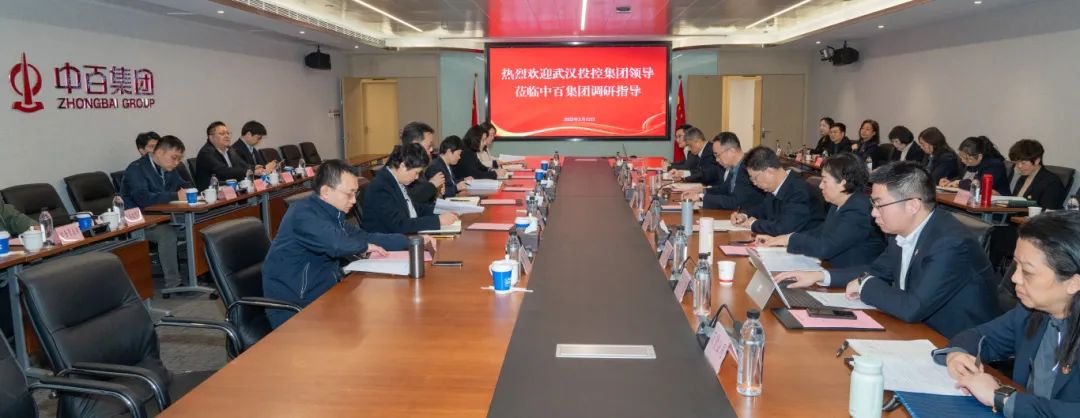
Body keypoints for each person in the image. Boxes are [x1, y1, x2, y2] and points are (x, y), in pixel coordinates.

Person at [776, 161, 999, 338]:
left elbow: (912, 307)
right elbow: (876, 270)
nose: (873, 213)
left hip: (953, 345)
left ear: (912, 205)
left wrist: (865, 285)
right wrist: (820, 276)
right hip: (913, 330)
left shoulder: (950, 243)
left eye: (879, 204)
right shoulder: (901, 231)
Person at [932, 211, 1080, 417]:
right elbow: (979, 336)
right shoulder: (1030, 312)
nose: (1015, 278)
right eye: (1015, 265)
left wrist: (1003, 398)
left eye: (1027, 271)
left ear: (1073, 283)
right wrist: (957, 355)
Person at [262, 160, 425, 328]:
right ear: (326, 191)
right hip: (295, 308)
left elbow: (364, 236)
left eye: (356, 193)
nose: (354, 200)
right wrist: (365, 246)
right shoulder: (302, 214)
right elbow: (336, 244)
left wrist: (412, 241)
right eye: (349, 194)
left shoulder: (332, 214)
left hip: (325, 295)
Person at [755, 154, 886, 268]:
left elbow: (826, 247)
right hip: (831, 267)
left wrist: (789, 240)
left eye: (824, 181)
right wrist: (781, 239)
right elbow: (821, 231)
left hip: (852, 278)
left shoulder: (859, 209)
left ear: (842, 183)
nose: (820, 185)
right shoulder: (838, 203)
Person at [121, 135, 192, 291]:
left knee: (196, 225)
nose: (177, 162)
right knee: (167, 235)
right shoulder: (136, 169)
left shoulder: (168, 168)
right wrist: (175, 196)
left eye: (179, 159)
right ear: (159, 152)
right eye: (174, 158)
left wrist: (190, 191)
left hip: (164, 217)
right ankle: (173, 284)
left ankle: (200, 272)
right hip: (140, 222)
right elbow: (143, 199)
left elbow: (184, 185)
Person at [363, 143, 459, 234]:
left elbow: (414, 208)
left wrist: (442, 210)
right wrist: (438, 221)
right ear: (403, 166)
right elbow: (398, 224)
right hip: (389, 241)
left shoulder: (396, 179)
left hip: (406, 234)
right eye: (416, 172)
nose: (417, 177)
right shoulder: (380, 187)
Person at [731, 146, 825, 236]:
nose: (754, 183)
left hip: (805, 244)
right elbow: (764, 208)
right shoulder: (777, 186)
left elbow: (784, 228)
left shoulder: (799, 191)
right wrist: (744, 215)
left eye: (755, 178)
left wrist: (753, 224)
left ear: (770, 171)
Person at [687, 132, 765, 210]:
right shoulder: (734, 166)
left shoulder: (747, 168)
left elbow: (735, 202)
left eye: (717, 155)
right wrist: (702, 191)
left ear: (731, 151)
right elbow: (724, 189)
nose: (717, 160)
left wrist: (701, 197)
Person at [939, 136, 1010, 196]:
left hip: (998, 203)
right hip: (970, 200)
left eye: (967, 158)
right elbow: (962, 178)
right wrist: (949, 182)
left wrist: (958, 183)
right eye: (961, 156)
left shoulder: (994, 165)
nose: (963, 160)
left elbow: (979, 185)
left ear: (979, 156)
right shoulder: (971, 163)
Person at [1008, 139, 1066, 210]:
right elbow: (1015, 204)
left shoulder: (1052, 183)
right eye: (1016, 163)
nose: (1019, 166)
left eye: (1023, 163)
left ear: (1037, 161)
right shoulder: (1023, 177)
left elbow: (1047, 212)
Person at [400, 122, 443, 214]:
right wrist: (432, 185)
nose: (431, 149)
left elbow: (423, 202)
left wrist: (436, 192)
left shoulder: (416, 163)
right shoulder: (402, 167)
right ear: (415, 144)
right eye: (429, 145)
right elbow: (409, 202)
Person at [194, 121, 249, 190]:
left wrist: (255, 168)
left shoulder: (230, 149)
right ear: (211, 137)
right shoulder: (206, 153)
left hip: (231, 189)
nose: (227, 136)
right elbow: (223, 171)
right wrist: (248, 172)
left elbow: (243, 165)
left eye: (228, 133)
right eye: (222, 134)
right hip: (212, 192)